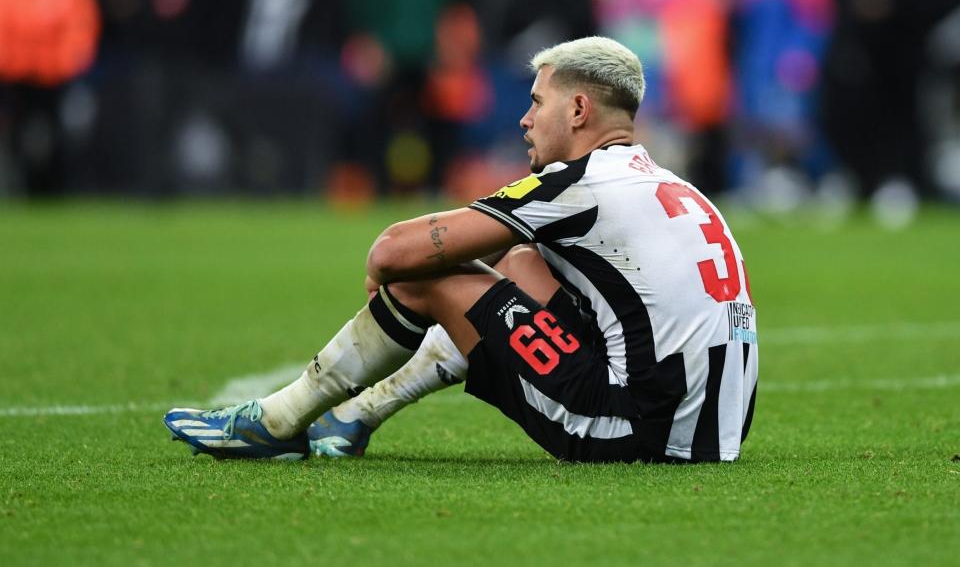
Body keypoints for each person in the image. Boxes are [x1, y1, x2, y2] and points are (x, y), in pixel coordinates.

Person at [165, 36, 758, 463]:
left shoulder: (580, 184)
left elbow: (393, 251)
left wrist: (400, 281)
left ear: (578, 110)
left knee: (428, 279)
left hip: (639, 433)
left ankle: (280, 420)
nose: (525, 120)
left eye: (537, 102)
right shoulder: (673, 185)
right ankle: (354, 415)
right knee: (521, 261)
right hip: (715, 431)